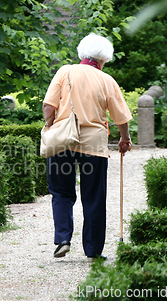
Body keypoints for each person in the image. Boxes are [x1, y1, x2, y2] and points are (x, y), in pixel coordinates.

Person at [42, 33, 132, 262]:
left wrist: (50, 126)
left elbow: (48, 106)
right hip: (94, 146)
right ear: (102, 59)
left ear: (82, 54)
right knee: (94, 197)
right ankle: (93, 250)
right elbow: (121, 117)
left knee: (61, 192)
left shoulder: (65, 71)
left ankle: (63, 238)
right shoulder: (107, 80)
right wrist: (125, 139)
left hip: (63, 142)